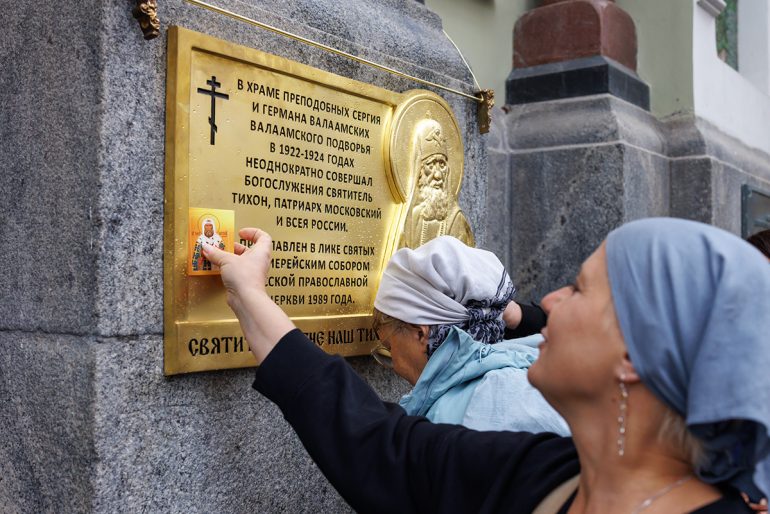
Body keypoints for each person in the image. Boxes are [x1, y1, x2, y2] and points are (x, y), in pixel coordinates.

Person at [203, 218, 770, 513]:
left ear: (633, 358)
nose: (548, 304)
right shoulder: (541, 473)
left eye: (579, 289)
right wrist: (249, 294)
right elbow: (378, 445)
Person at [372, 236, 568, 435]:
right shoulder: (526, 369)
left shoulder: (474, 409)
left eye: (389, 347)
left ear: (420, 333)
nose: (393, 363)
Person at [400, 118, 474, 248]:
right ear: (419, 171)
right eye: (430, 165)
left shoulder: (456, 220)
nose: (438, 175)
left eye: (442, 165)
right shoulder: (410, 220)